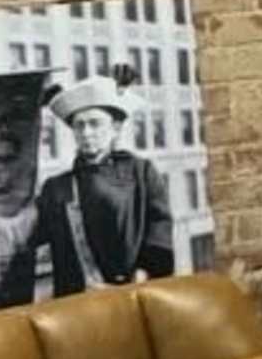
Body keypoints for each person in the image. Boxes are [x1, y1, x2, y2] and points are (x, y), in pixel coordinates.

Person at [14, 75, 165, 299]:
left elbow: (159, 227)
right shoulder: (56, 188)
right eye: (79, 125)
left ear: (114, 129)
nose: (86, 133)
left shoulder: (141, 173)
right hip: (79, 305)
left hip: (135, 294)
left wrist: (143, 276)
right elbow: (23, 234)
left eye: (94, 123)